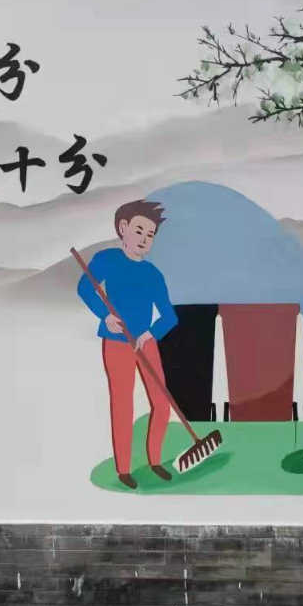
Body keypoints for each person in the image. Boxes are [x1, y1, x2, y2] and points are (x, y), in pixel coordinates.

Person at [77, 200, 178, 490]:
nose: (144, 239)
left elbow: (169, 315)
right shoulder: (107, 259)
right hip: (117, 342)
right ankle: (123, 469)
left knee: (162, 404)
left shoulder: (153, 274)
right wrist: (105, 315)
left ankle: (155, 461)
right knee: (123, 404)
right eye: (139, 230)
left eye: (150, 234)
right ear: (123, 228)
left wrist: (151, 333)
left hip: (146, 343)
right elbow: (85, 287)